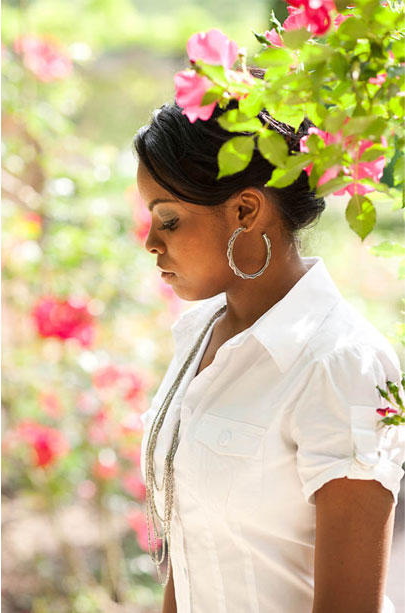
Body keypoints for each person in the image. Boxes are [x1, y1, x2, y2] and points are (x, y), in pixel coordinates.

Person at [135, 102, 403, 613]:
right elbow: (193, 556)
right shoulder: (199, 334)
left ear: (246, 211)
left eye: (168, 220)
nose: (150, 243)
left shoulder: (341, 365)